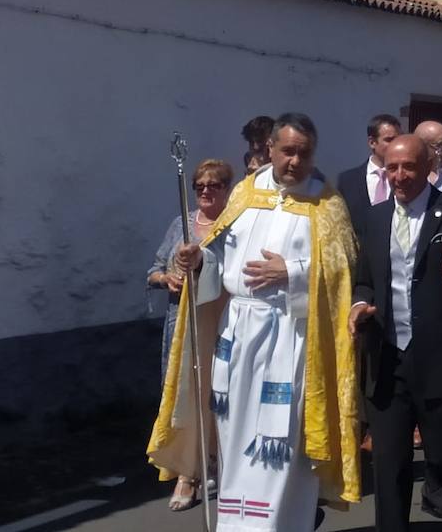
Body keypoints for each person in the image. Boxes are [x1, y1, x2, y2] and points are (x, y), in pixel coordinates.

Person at [150, 114, 360, 530]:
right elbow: (221, 261)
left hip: (290, 338)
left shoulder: (327, 204)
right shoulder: (245, 194)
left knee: (281, 442)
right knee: (233, 434)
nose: (295, 161)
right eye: (288, 151)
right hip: (237, 333)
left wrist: (295, 272)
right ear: (270, 150)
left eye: (304, 152)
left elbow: (344, 271)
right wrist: (199, 261)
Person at [349, 134, 442, 532]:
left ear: (426, 167)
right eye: (392, 168)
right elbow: (365, 281)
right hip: (387, 357)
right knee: (389, 465)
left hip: (437, 358)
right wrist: (359, 306)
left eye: (408, 167)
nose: (398, 176)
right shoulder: (374, 217)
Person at [146, 157, 234, 511]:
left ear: (228, 189)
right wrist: (166, 278)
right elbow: (152, 270)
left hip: (223, 323)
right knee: (188, 397)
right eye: (199, 186)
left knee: (221, 396)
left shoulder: (235, 225)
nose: (206, 191)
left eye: (214, 185)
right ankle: (188, 473)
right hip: (182, 327)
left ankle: (220, 463)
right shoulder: (179, 225)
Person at [337, 112, 401, 226]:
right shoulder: (347, 180)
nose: (395, 144)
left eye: (398, 139)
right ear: (372, 142)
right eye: (389, 139)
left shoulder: (404, 178)